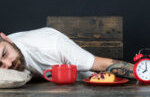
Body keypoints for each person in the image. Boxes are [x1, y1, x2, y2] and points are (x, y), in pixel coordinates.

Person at [0, 27, 135, 80]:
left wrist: (144, 72)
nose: (8, 64)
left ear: (7, 38)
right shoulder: (5, 48)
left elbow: (102, 65)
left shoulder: (51, 44)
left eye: (4, 54)